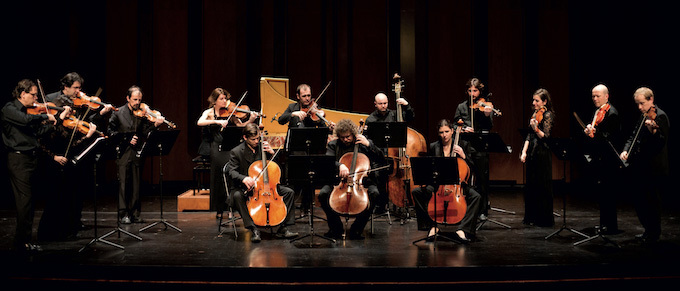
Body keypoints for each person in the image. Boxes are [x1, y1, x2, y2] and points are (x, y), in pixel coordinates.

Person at [1, 79, 68, 252]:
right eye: (34, 94)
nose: (37, 98)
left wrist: (58, 120)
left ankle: (25, 241)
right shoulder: (9, 109)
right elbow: (25, 120)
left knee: (29, 203)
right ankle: (21, 243)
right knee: (25, 202)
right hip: (18, 160)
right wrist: (46, 116)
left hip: (31, 159)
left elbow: (39, 132)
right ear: (23, 94)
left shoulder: (29, 113)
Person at [411, 119, 482, 243]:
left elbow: (474, 167)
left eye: (447, 131)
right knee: (417, 192)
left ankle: (463, 229)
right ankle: (431, 226)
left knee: (476, 197)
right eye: (441, 132)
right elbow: (430, 166)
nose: (444, 135)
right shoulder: (434, 146)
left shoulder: (463, 144)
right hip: (438, 185)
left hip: (458, 185)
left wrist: (463, 155)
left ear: (452, 131)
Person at [226, 123, 298, 242]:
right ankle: (253, 228)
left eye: (258, 138)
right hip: (245, 187)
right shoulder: (236, 151)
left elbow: (275, 167)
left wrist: (271, 153)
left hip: (267, 186)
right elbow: (231, 171)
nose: (256, 141)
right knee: (237, 196)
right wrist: (244, 178)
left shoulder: (263, 147)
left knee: (289, 192)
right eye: (253, 139)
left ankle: (283, 228)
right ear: (245, 138)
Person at [317, 119, 384, 240]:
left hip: (362, 182)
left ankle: (357, 229)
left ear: (353, 134)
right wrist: (339, 165)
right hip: (338, 182)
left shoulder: (363, 144)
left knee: (374, 194)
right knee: (323, 194)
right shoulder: (334, 145)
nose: (345, 140)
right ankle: (335, 228)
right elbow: (328, 162)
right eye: (342, 137)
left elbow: (381, 158)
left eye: (348, 137)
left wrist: (369, 145)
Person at [197, 88, 258, 218]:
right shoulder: (209, 112)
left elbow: (242, 126)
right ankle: (219, 209)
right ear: (214, 101)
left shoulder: (232, 114)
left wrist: (251, 120)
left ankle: (231, 209)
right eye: (221, 99)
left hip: (229, 148)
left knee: (230, 178)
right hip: (216, 148)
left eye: (225, 98)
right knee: (218, 179)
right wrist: (216, 121)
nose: (225, 101)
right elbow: (199, 122)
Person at [107, 86, 164, 224]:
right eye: (134, 99)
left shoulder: (142, 114)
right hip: (123, 152)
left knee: (136, 184)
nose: (137, 102)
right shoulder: (118, 113)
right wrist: (126, 139)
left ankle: (135, 213)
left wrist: (155, 125)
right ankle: (123, 214)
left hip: (137, 152)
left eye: (139, 99)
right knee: (124, 184)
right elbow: (110, 132)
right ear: (128, 98)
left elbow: (145, 132)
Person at [620, 87, 669, 244]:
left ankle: (653, 233)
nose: (640, 107)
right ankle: (648, 230)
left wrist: (653, 132)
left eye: (642, 103)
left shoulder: (660, 117)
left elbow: (661, 142)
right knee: (640, 200)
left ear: (651, 100)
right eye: (637, 104)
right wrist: (626, 150)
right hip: (641, 166)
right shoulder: (643, 116)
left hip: (654, 167)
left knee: (652, 202)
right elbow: (633, 136)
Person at [365, 91, 414, 214]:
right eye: (380, 103)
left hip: (394, 156)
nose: (383, 106)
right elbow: (367, 140)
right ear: (375, 104)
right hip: (378, 156)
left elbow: (410, 117)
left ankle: (401, 203)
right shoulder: (370, 119)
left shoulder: (394, 115)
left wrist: (407, 106)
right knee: (379, 177)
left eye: (385, 103)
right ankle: (381, 205)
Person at [582, 84, 622, 234]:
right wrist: (589, 132)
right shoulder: (598, 111)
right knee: (602, 194)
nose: (595, 98)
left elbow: (610, 137)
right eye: (593, 96)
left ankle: (611, 227)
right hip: (600, 158)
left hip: (609, 159)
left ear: (607, 96)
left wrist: (595, 131)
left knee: (609, 194)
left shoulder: (611, 113)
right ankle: (604, 223)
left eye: (598, 96)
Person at [453, 78, 494, 220]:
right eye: (470, 91)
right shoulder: (461, 107)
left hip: (480, 147)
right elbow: (454, 125)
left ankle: (482, 211)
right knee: (464, 178)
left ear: (479, 92)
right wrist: (463, 128)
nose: (472, 94)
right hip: (465, 147)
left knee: (482, 180)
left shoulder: (485, 107)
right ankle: (464, 207)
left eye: (475, 91)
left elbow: (489, 127)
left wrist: (487, 115)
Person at [520, 88, 555, 227]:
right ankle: (531, 217)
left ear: (544, 101)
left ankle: (543, 219)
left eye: (537, 100)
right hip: (532, 153)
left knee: (542, 186)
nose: (534, 103)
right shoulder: (535, 114)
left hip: (542, 153)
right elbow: (529, 135)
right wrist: (523, 152)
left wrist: (535, 128)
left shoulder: (548, 115)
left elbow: (545, 136)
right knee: (531, 186)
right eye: (533, 100)